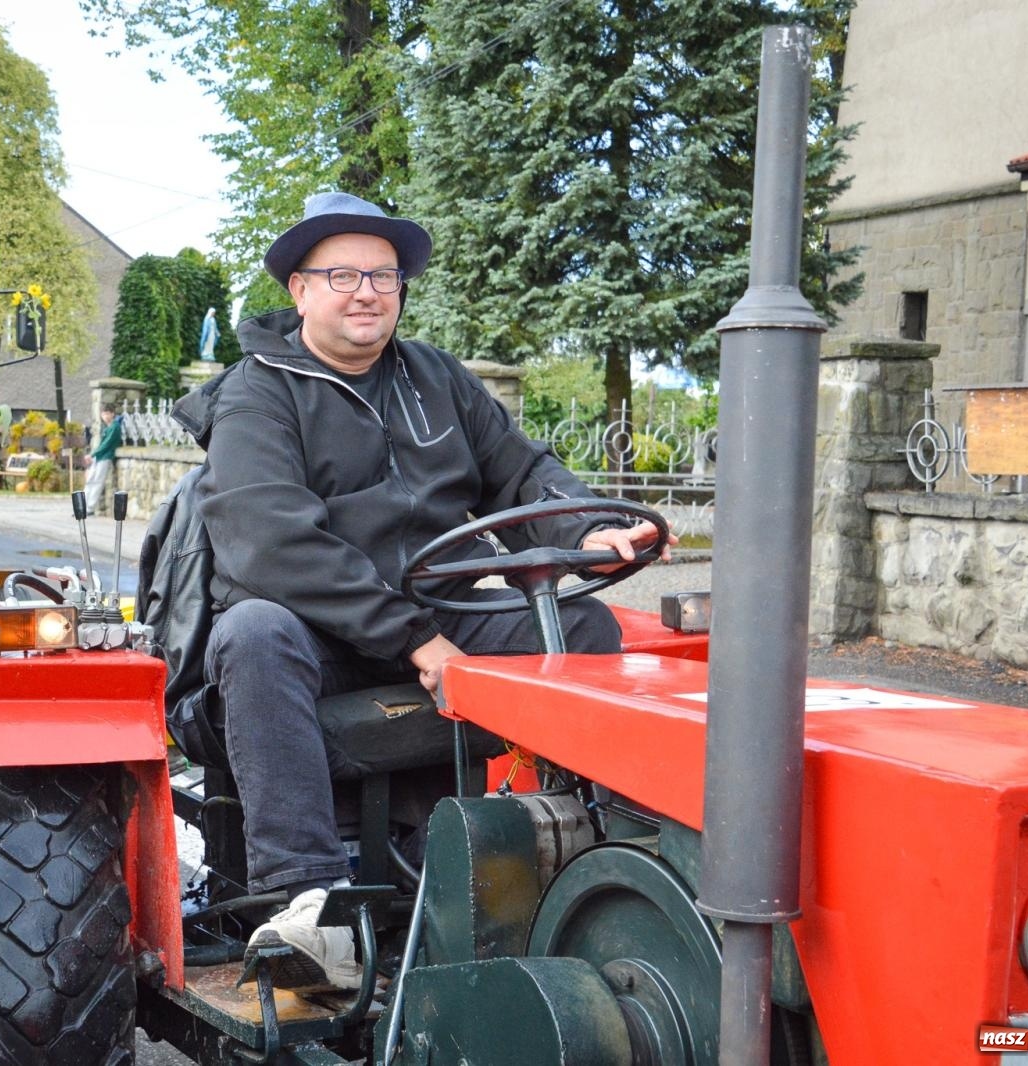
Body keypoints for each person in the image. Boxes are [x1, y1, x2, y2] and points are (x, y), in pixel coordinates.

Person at [173, 191, 673, 992]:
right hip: (318, 638)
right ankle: (310, 905)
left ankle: (601, 855)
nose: (367, 291)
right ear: (298, 290)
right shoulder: (256, 393)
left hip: (441, 614)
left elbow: (520, 470)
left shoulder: (434, 377)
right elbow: (272, 543)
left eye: (384, 275)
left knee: (583, 629)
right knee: (253, 632)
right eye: (341, 274)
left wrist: (585, 529)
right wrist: (418, 641)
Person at [84, 403, 123, 513]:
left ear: (112, 414)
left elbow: (107, 444)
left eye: (107, 414)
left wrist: (92, 454)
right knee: (90, 480)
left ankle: (90, 507)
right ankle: (83, 505)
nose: (105, 416)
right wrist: (94, 455)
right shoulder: (107, 427)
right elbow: (101, 444)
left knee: (97, 482)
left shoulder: (115, 427)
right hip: (99, 457)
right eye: (103, 414)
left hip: (105, 457)